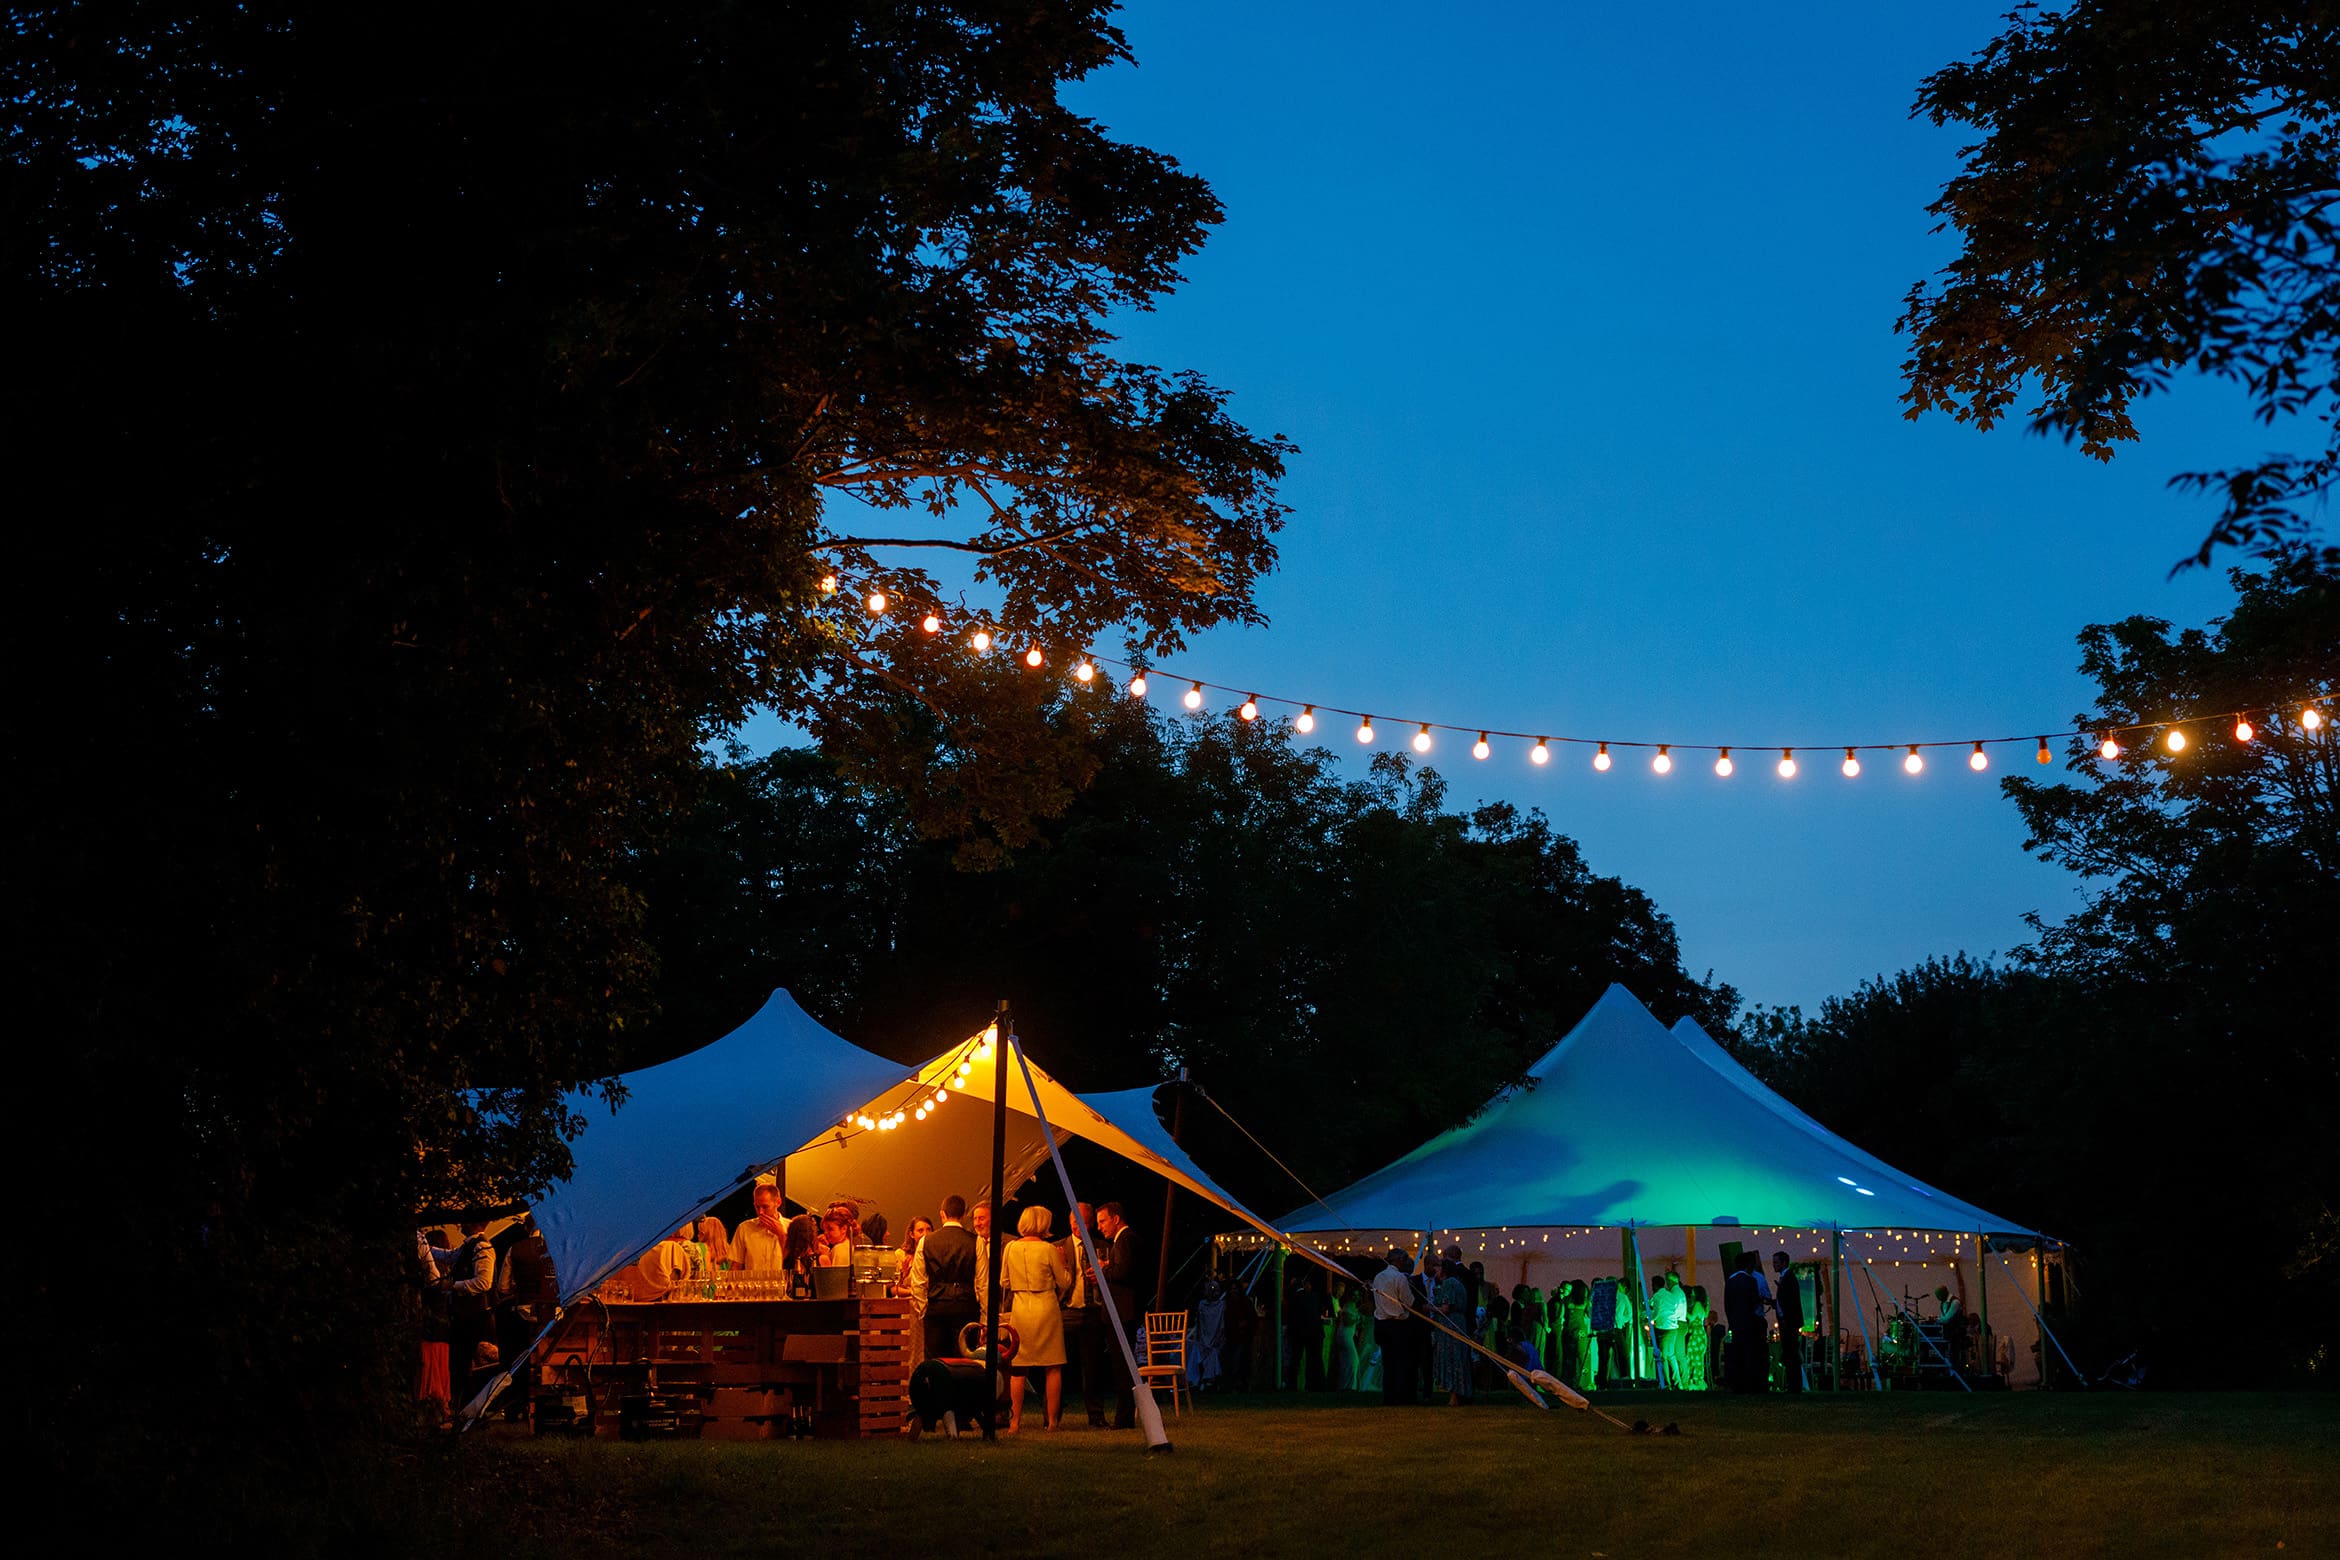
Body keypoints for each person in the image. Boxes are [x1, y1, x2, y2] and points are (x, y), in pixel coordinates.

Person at [1002, 1205, 1071, 1432]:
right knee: (1052, 1366)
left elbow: (1004, 1282)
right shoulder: (1049, 1249)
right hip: (1046, 1308)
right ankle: (1052, 1421)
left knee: (1018, 1367)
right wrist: (1065, 1265)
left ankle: (1015, 1421)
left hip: (1021, 1309)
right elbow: (1064, 1282)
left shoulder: (1010, 1248)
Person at [1056, 1203, 1106, 1426]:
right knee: (1058, 1366)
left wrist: (1101, 1276)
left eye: (1083, 1222)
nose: (1078, 1226)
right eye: (1075, 1222)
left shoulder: (1102, 1248)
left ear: (1091, 1223)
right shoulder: (1057, 1248)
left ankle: (1096, 1416)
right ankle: (1053, 1415)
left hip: (1092, 1312)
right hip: (1066, 1312)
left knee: (1093, 1368)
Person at [441, 1218, 497, 1411]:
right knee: (460, 1362)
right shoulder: (471, 1247)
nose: (460, 1223)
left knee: (467, 1363)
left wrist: (453, 1286)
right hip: (466, 1314)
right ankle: (462, 1407)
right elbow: (449, 1256)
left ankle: (468, 1407)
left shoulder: (482, 1248)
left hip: (473, 1315)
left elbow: (484, 1283)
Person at [1095, 1201, 1139, 1428]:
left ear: (1116, 1219)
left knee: (1122, 1365)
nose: (1099, 1227)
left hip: (1122, 1312)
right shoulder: (1121, 1241)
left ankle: (1124, 1417)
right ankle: (1124, 1416)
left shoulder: (1125, 1239)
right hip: (1119, 1311)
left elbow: (1123, 1271)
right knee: (1119, 1364)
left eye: (1102, 1221)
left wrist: (1103, 1268)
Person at [921, 1197, 977, 1360]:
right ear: (965, 1214)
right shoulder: (975, 1241)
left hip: (936, 1305)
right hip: (966, 1305)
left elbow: (919, 1279)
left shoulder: (926, 1240)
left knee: (936, 1361)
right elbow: (982, 1281)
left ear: (942, 1214)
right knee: (964, 1359)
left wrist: (923, 1308)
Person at [416, 1230, 453, 1425]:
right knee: (441, 1367)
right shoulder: (449, 1271)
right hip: (444, 1325)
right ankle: (442, 1408)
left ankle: (429, 1408)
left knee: (430, 1369)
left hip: (430, 1326)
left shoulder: (430, 1273)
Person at [1371, 1248, 1416, 1405]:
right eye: (1404, 1260)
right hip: (1397, 1324)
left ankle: (1388, 1396)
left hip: (1381, 1323)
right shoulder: (1399, 1278)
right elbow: (1409, 1301)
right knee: (1401, 1361)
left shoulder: (1378, 1277)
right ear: (1398, 1260)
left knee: (1387, 1362)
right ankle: (1400, 1395)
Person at [1427, 1256, 1473, 1404]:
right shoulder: (1458, 1284)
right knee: (1459, 1357)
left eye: (1438, 1267)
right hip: (1459, 1323)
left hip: (1449, 1325)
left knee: (1451, 1358)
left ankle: (1454, 1395)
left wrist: (1429, 1307)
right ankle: (1460, 1392)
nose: (1436, 1270)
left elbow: (1445, 1308)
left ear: (1444, 1270)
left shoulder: (1448, 1284)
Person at [1723, 1251, 1764, 1392]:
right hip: (1749, 1323)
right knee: (1749, 1354)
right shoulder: (1750, 1281)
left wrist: (1731, 1320)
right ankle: (1749, 1384)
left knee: (1737, 1353)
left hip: (1735, 1322)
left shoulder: (1730, 1280)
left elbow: (1726, 1303)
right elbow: (1753, 1302)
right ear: (1748, 1265)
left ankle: (1736, 1384)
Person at [731, 1178, 790, 1272]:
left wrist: (782, 1235)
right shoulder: (744, 1228)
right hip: (753, 1285)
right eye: (757, 1206)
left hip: (782, 1285)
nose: (760, 1212)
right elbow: (735, 1266)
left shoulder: (791, 1227)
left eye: (765, 1206)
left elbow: (794, 1263)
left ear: (778, 1202)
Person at [899, 1215, 934, 1371]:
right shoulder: (902, 1255)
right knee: (909, 1350)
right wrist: (911, 1289)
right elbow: (894, 1288)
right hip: (909, 1311)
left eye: (928, 1229)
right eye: (920, 1230)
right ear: (912, 1234)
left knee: (925, 1350)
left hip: (928, 1309)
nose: (925, 1233)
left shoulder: (934, 1253)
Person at [1773, 1253, 1806, 1393]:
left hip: (1789, 1323)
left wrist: (1785, 1319)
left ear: (1784, 1262)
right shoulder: (1786, 1278)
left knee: (1791, 1352)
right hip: (1788, 1321)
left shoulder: (1788, 1278)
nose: (1774, 1265)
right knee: (1790, 1352)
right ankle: (1793, 1384)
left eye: (1776, 1262)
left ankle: (1794, 1385)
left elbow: (1790, 1302)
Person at [1651, 1270, 1688, 1389]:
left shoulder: (1673, 1293)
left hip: (1672, 1325)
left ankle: (1671, 1383)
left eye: (1667, 1280)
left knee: (1669, 1356)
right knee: (1672, 1355)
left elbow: (1665, 1312)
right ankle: (1679, 1382)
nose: (1666, 1282)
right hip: (1676, 1326)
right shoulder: (1674, 1293)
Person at [1559, 1279, 1594, 1393]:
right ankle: (1583, 1383)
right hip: (1581, 1332)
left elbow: (1561, 1316)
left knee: (1569, 1358)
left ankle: (1569, 1382)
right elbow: (1590, 1314)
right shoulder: (1585, 1302)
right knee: (1582, 1357)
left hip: (1568, 1331)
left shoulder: (1566, 1300)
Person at [1330, 1281, 1361, 1390]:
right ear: (1350, 1296)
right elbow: (1347, 1321)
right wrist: (1358, 1319)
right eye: (1354, 1295)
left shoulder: (1354, 1306)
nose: (1356, 1297)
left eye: (1358, 1295)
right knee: (1353, 1360)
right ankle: (1350, 1386)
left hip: (1347, 1335)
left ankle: (1345, 1386)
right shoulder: (1347, 1306)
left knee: (1346, 1361)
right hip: (1345, 1335)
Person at [1683, 1283, 1712, 1391]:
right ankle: (1697, 1380)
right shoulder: (1703, 1305)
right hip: (1700, 1333)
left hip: (1695, 1333)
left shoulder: (1697, 1304)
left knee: (1693, 1357)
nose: (1691, 1293)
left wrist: (1683, 1310)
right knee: (1697, 1358)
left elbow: (1691, 1318)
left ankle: (1695, 1381)